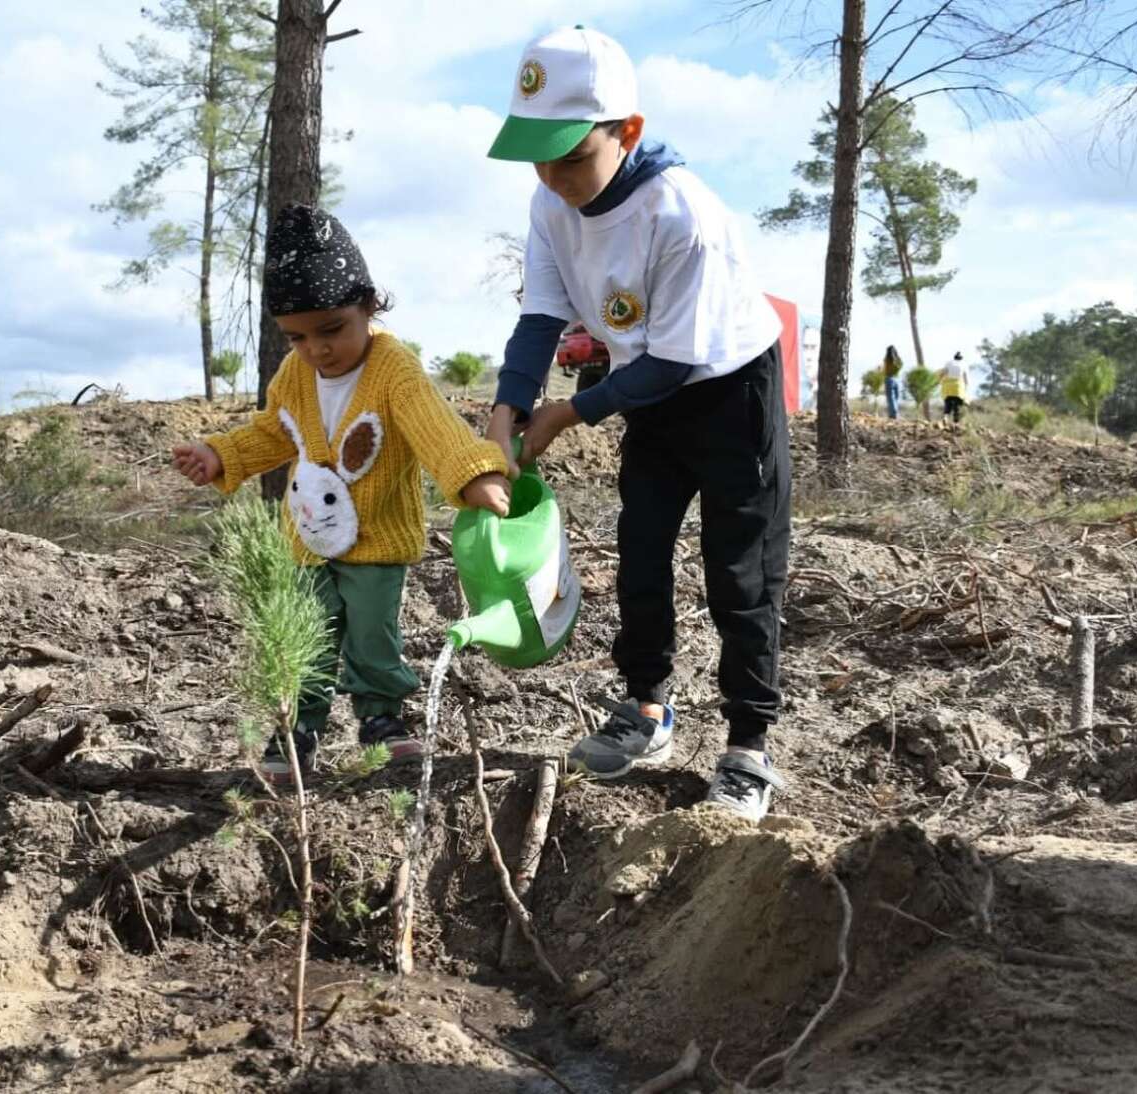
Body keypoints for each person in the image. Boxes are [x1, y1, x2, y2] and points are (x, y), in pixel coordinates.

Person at [484, 25, 791, 823]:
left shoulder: (680, 214)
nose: (554, 178)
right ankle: (646, 707)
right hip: (646, 391)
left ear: (627, 130)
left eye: (571, 157)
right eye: (538, 158)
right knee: (642, 552)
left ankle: (748, 746)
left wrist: (565, 414)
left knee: (740, 572)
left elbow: (674, 363)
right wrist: (508, 406)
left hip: (727, 391)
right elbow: (542, 315)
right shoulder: (551, 203)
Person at [171, 204, 511, 783]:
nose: (317, 349)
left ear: (369, 305)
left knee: (373, 632)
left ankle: (381, 718)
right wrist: (221, 454)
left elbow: (432, 424)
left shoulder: (393, 368)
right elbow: (274, 431)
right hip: (307, 534)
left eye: (331, 329)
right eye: (297, 336)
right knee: (307, 630)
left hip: (376, 535)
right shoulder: (295, 374)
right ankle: (296, 729)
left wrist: (475, 472)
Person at [941, 351, 971, 424]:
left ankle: (945, 416)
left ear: (954, 357)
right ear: (961, 358)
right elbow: (966, 379)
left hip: (948, 386)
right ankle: (955, 423)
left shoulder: (948, 363)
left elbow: (943, 373)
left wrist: (942, 382)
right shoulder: (964, 365)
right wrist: (966, 389)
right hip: (958, 387)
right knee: (957, 405)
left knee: (948, 402)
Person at [882, 345, 903, 420]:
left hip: (889, 378)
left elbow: (885, 370)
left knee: (891, 398)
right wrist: (897, 355)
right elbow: (901, 365)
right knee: (896, 397)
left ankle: (893, 414)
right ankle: (894, 413)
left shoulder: (886, 359)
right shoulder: (897, 360)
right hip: (897, 379)